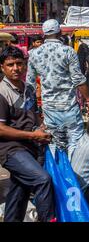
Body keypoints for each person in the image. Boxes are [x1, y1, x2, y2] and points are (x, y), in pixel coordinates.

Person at [0, 46, 55, 222]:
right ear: (2, 67)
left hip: (31, 147)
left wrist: (44, 128)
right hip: (10, 149)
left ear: (25, 65)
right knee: (42, 180)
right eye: (10, 65)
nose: (15, 68)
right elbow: (0, 129)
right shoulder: (1, 93)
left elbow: (35, 116)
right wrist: (32, 136)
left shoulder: (29, 89)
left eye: (19, 64)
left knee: (20, 190)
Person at [26, 19, 89, 159]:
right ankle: (75, 176)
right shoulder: (68, 51)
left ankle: (57, 177)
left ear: (43, 34)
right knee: (75, 144)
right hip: (68, 106)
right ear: (60, 32)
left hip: (49, 108)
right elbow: (78, 79)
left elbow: (30, 84)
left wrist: (31, 109)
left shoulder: (34, 54)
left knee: (54, 145)